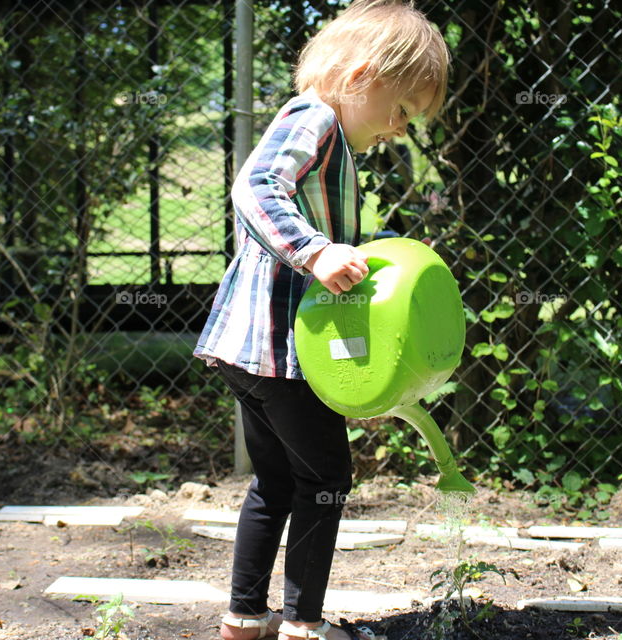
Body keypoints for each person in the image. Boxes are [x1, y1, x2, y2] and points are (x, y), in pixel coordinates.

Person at [193, 1, 449, 638]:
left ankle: (244, 620)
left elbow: (328, 232)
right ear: (363, 76)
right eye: (401, 112)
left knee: (275, 482)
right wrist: (316, 251)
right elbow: (255, 188)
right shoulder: (315, 118)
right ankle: (304, 624)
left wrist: (363, 246)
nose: (399, 130)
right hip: (279, 350)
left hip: (245, 348)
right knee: (327, 477)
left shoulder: (333, 137)